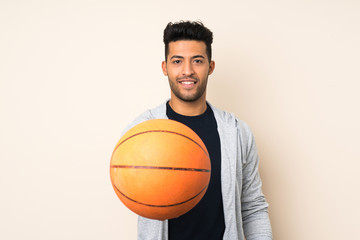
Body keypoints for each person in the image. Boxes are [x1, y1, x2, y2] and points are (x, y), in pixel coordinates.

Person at [122, 20, 272, 240]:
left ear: (210, 67)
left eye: (197, 61)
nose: (187, 71)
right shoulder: (141, 132)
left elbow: (253, 207)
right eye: (177, 61)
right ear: (165, 67)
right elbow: (131, 193)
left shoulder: (237, 132)